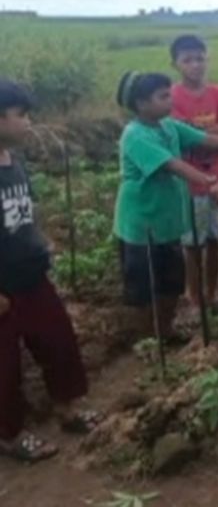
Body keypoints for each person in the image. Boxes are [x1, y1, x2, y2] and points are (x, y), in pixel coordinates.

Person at [113, 72, 218, 341]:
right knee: (144, 285)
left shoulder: (169, 127)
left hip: (167, 221)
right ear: (141, 103)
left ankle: (165, 330)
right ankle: (146, 338)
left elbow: (207, 140)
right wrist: (210, 181)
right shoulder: (135, 135)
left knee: (172, 282)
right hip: (141, 224)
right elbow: (173, 165)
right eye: (162, 96)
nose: (170, 99)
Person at [0, 79, 101, 463]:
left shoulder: (15, 162)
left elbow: (24, 214)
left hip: (32, 276)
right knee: (5, 367)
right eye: (21, 115)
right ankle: (9, 434)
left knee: (59, 343)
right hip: (2, 288)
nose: (29, 122)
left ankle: (67, 408)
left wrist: (40, 244)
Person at [169, 34, 218, 317]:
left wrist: (200, 134)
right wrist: (213, 133)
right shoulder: (172, 97)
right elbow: (181, 138)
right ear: (175, 64)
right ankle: (194, 298)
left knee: (216, 240)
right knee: (192, 245)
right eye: (187, 60)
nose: (195, 65)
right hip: (189, 184)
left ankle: (213, 295)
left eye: (200, 58)